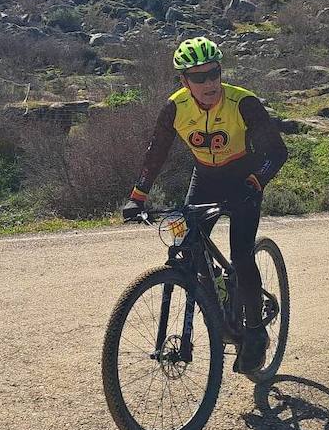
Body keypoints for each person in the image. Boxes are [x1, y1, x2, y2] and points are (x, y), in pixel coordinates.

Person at [121, 36, 289, 372]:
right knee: (186, 247)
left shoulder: (243, 103)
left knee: (241, 255)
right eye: (199, 77)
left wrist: (255, 183)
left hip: (244, 180)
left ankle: (255, 334)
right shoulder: (175, 107)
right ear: (184, 80)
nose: (209, 82)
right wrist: (138, 196)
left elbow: (277, 153)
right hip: (205, 179)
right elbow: (156, 153)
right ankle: (220, 305)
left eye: (214, 73)